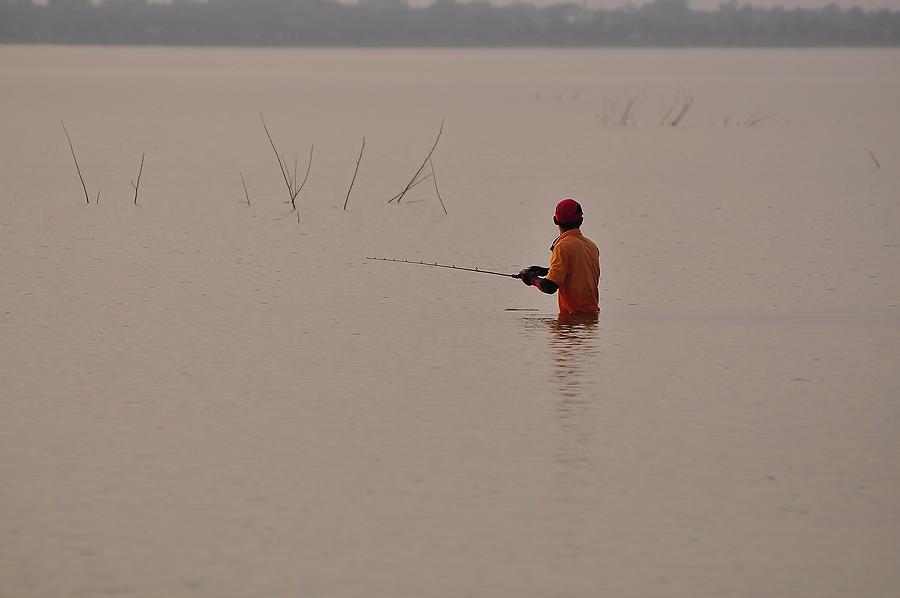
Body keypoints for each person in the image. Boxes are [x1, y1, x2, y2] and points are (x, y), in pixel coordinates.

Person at [519, 199, 601, 314]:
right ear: (581, 221)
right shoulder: (591, 246)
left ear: (555, 220)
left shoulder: (562, 246)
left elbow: (550, 287)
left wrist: (531, 278)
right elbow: (574, 272)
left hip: (572, 320)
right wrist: (542, 271)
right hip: (592, 320)